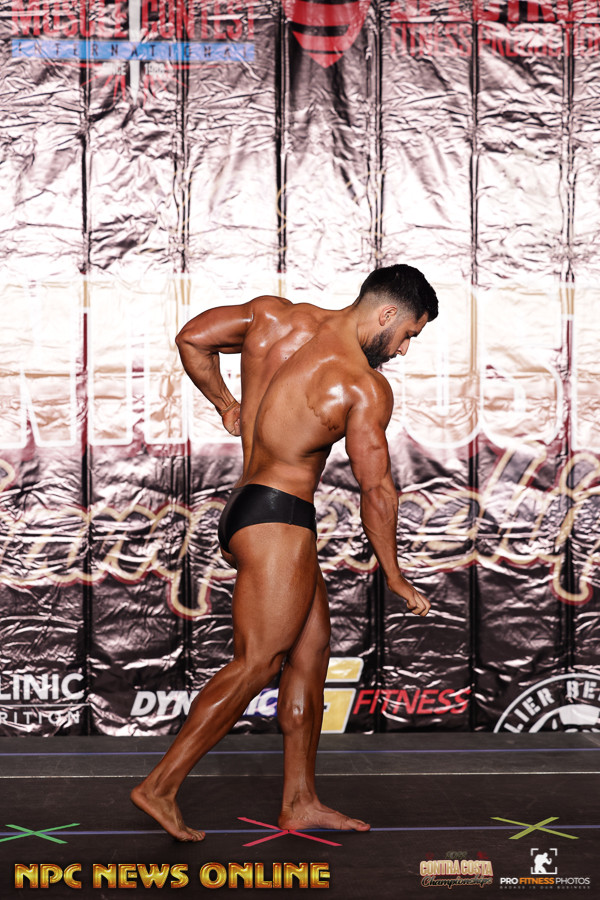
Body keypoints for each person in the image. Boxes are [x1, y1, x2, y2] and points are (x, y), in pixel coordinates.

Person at [131, 263, 439, 841]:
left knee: (309, 653)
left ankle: (300, 801)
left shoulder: (275, 320)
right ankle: (160, 786)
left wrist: (227, 404)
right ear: (386, 313)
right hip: (278, 518)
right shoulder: (361, 384)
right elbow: (377, 489)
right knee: (257, 663)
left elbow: (192, 338)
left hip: (253, 507)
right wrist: (394, 574)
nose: (402, 350)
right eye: (406, 336)